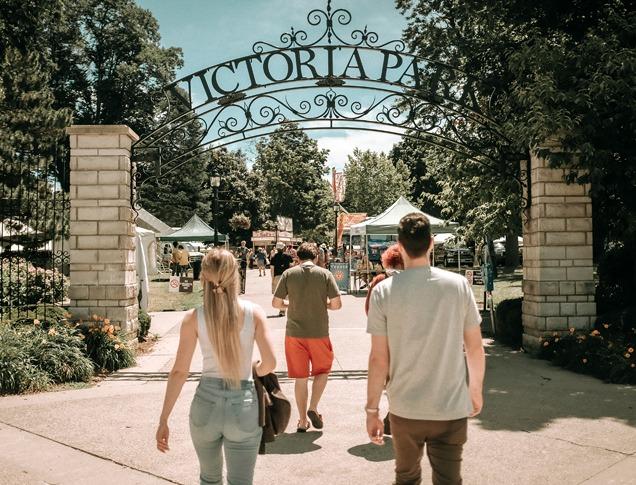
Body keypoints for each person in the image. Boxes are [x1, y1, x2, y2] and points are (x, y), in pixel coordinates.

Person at [366, 213, 485, 485]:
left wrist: (372, 410)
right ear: (431, 243)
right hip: (450, 406)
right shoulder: (458, 286)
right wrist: (474, 390)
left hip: (406, 407)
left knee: (406, 477)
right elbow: (475, 347)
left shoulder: (384, 292)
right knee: (449, 479)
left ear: (399, 244)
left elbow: (378, 359)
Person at [156, 249, 276, 485]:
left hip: (205, 406)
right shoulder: (255, 314)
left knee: (209, 479)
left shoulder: (194, 317)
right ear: (236, 275)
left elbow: (180, 371)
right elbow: (270, 363)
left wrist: (164, 419)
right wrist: (255, 369)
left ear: (204, 278)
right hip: (243, 405)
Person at [272, 242, 342, 432]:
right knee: (323, 371)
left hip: (294, 334)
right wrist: (322, 304)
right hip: (319, 332)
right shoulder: (325, 274)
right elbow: (336, 305)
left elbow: (276, 303)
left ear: (297, 257)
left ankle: (302, 420)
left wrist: (291, 305)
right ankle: (313, 407)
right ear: (317, 256)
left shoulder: (288, 274)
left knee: (300, 378)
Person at [269, 242, 293, 317]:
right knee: (287, 294)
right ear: (283, 248)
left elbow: (272, 269)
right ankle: (284, 309)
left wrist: (272, 279)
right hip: (286, 276)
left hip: (277, 277)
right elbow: (291, 266)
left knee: (279, 295)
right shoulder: (288, 256)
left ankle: (282, 310)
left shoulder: (273, 257)